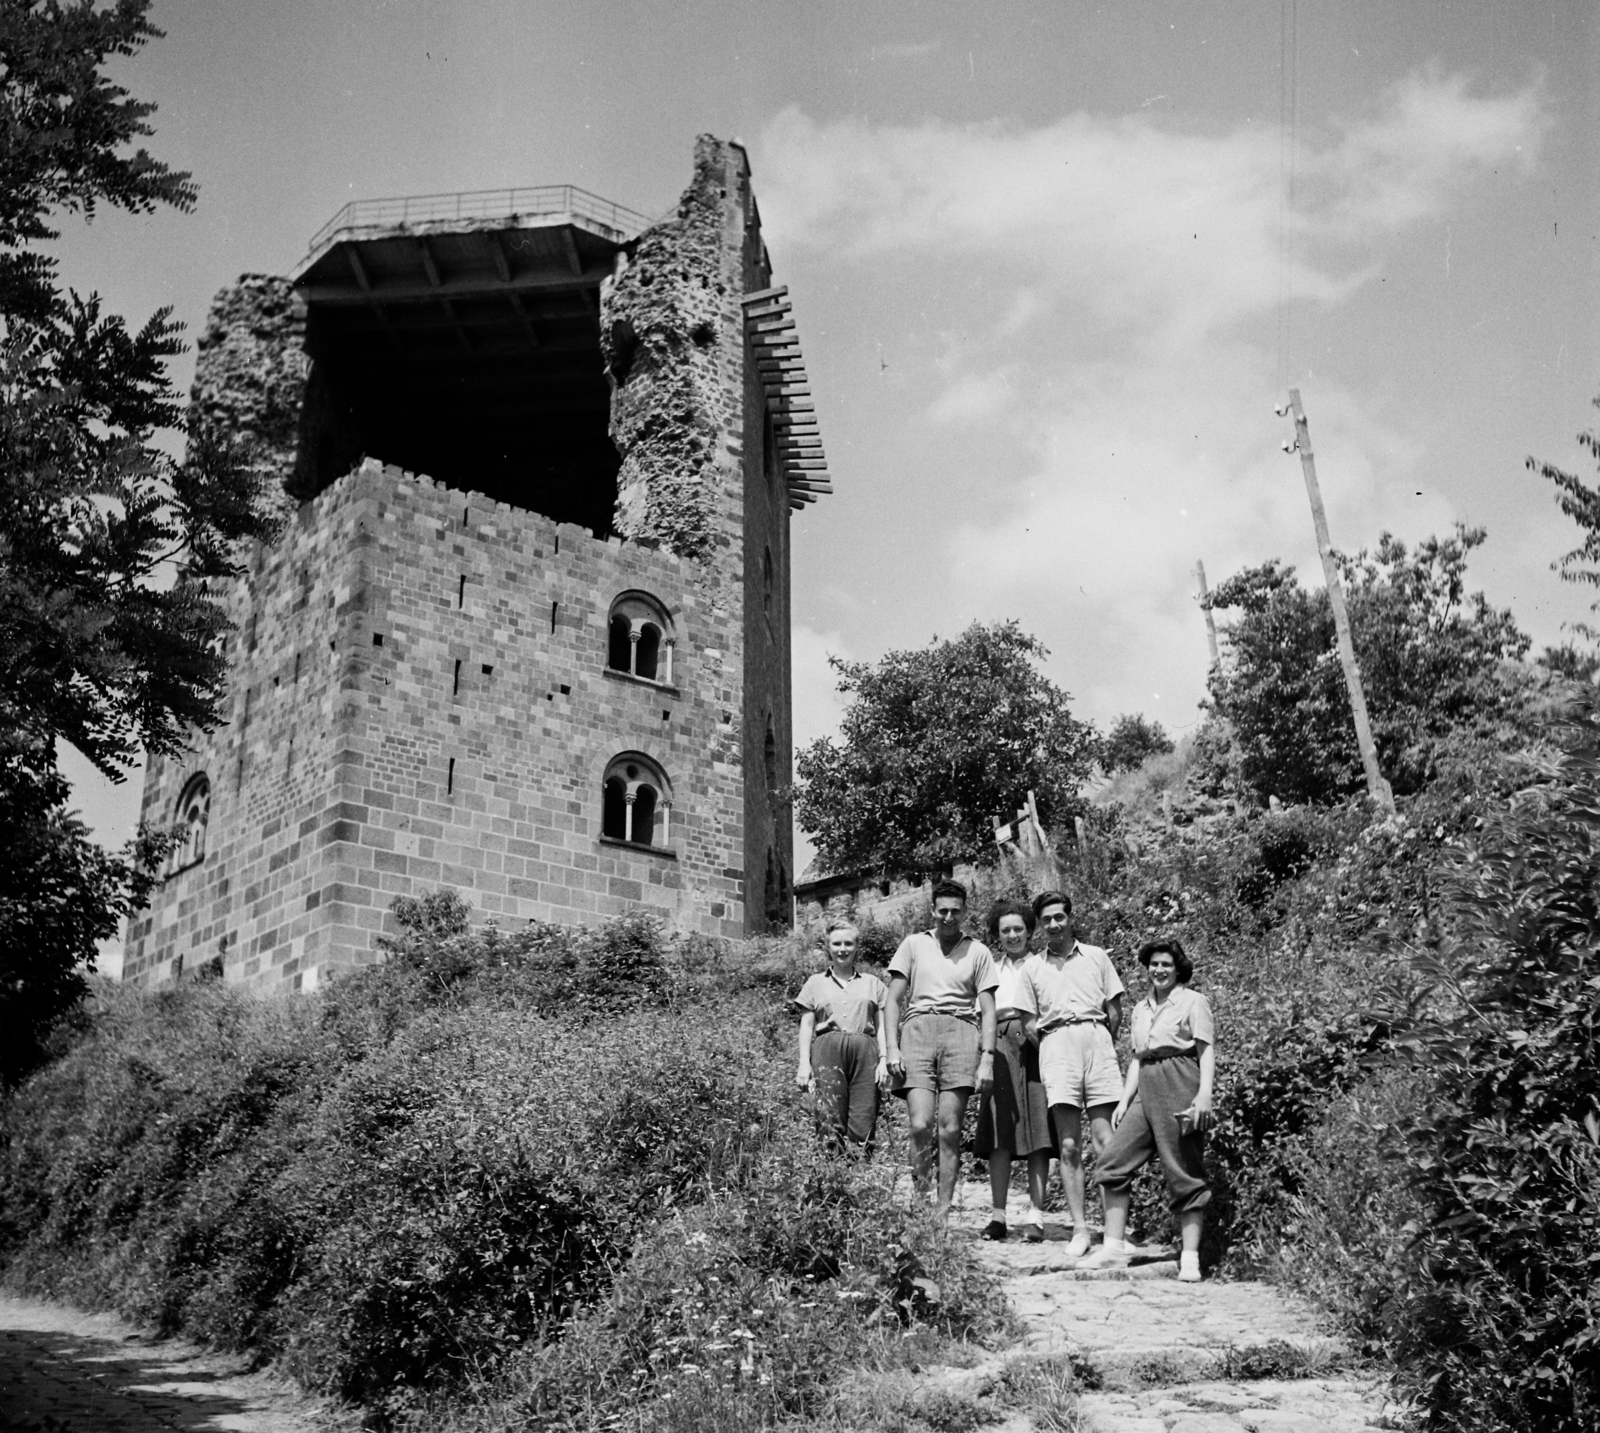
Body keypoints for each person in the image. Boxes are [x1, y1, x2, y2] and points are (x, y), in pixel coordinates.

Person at [1081, 938, 1215, 1282]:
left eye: (1166, 964)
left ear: (1178, 969)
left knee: (1183, 1168)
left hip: (1180, 1080)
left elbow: (1205, 1050)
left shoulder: (1194, 1001)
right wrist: (1125, 1100)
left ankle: (1190, 1258)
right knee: (1113, 1161)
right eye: (1154, 964)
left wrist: (1204, 1095)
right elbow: (1138, 1057)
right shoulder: (1141, 1007)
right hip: (1146, 1085)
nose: (1159, 970)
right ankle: (1113, 1247)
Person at [884, 878, 998, 1218]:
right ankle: (921, 1201)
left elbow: (988, 1009)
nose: (949, 917)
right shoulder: (913, 944)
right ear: (933, 910)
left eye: (956, 911)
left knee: (950, 1128)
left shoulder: (978, 951)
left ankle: (943, 1209)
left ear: (965, 912)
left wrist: (987, 1059)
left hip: (961, 1032)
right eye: (943, 910)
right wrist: (892, 1048)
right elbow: (893, 1000)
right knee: (920, 1124)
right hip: (918, 1031)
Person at [1028, 889, 1125, 1258]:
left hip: (1096, 1041)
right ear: (1040, 925)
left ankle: (1112, 1232)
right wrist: (1056, 1045)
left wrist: (1097, 1039)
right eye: (1047, 920)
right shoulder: (1033, 967)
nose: (1054, 924)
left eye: (1059, 917)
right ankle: (1081, 1229)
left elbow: (1114, 1011)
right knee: (1068, 1145)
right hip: (1057, 1045)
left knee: (1106, 1142)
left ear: (1070, 918)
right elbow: (1029, 1023)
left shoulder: (1097, 957)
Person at [974, 897, 1052, 1242]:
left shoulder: (1043, 965)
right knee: (999, 1129)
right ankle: (998, 1216)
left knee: (1038, 1128)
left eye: (1018, 929)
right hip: (1000, 1045)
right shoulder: (990, 969)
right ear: (997, 935)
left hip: (1036, 1043)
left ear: (1029, 931)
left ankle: (1036, 1216)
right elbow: (980, 1012)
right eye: (1005, 930)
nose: (1012, 935)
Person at [793, 918, 890, 1149]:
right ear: (828, 947)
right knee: (829, 1116)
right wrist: (804, 1063)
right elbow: (806, 1026)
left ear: (857, 947)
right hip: (827, 1050)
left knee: (865, 1114)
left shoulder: (873, 983)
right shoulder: (815, 983)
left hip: (865, 1052)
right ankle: (831, 1168)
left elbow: (883, 1026)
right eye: (836, 944)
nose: (842, 949)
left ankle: (861, 1167)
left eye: (848, 943)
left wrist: (884, 1059)